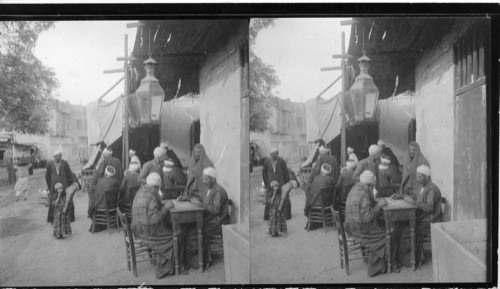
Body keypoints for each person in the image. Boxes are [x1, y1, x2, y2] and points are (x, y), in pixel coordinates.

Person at [344, 170, 397, 277]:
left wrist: (376, 202)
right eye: (373, 185)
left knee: (382, 226)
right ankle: (378, 266)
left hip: (350, 226)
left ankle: (378, 261)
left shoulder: (356, 188)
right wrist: (380, 205)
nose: (374, 187)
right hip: (359, 229)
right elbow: (369, 216)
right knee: (389, 232)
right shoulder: (365, 193)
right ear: (371, 184)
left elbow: (365, 207)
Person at [131, 172, 175, 279]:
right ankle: (164, 269)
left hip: (138, 229)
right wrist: (167, 206)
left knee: (168, 230)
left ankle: (162, 263)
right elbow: (156, 219)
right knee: (173, 237)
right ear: (158, 186)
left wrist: (162, 205)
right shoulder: (152, 193)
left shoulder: (142, 190)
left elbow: (152, 209)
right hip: (147, 233)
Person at [185, 167, 229, 269]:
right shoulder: (209, 189)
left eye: (206, 179)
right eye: (203, 179)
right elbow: (204, 198)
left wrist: (200, 205)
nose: (204, 182)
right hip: (210, 218)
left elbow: (216, 210)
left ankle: (202, 260)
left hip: (216, 221)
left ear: (213, 179)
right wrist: (189, 198)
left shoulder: (218, 191)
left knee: (193, 230)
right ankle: (198, 258)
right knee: (189, 227)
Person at [414, 165, 442, 267]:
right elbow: (419, 199)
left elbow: (429, 208)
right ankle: (415, 256)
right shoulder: (423, 187)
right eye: (417, 177)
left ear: (427, 177)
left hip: (431, 219)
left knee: (412, 227)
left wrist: (416, 204)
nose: (417, 179)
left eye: (420, 177)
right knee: (408, 223)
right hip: (424, 217)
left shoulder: (432, 189)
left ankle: (419, 258)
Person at [46, 150, 76, 223]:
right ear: (54, 157)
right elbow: (47, 176)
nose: (58, 158)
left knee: (66, 201)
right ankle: (53, 219)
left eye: (59, 156)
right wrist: (51, 186)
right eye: (56, 156)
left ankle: (69, 218)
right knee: (54, 201)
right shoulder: (50, 164)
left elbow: (69, 175)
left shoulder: (64, 163)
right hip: (54, 188)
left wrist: (68, 186)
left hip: (64, 187)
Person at [304, 163, 336, 230]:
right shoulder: (333, 179)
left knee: (310, 200)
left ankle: (313, 220)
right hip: (329, 203)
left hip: (318, 204)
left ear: (321, 171)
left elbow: (313, 193)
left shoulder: (316, 178)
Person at [88, 165, 120, 232]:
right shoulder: (116, 182)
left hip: (98, 206)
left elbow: (95, 195)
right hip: (111, 207)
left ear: (105, 173)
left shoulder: (99, 181)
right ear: (113, 175)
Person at [262, 148, 289, 221]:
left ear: (278, 153)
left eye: (276, 153)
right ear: (271, 155)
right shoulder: (267, 162)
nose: (275, 155)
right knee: (270, 199)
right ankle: (268, 216)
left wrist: (286, 183)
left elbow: (286, 173)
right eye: (273, 154)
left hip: (281, 184)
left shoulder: (281, 161)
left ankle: (284, 216)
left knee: (282, 199)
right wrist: (266, 183)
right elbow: (264, 173)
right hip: (270, 185)